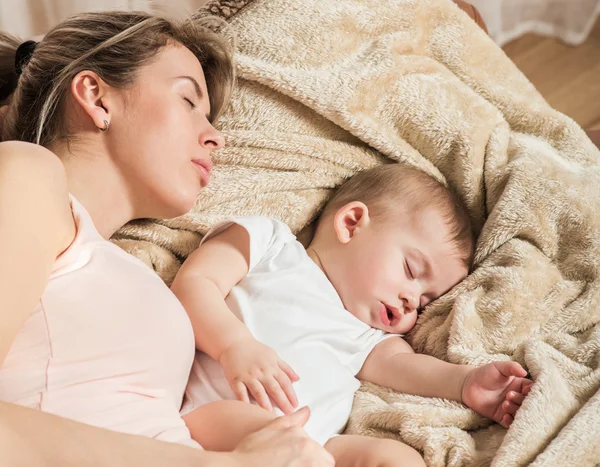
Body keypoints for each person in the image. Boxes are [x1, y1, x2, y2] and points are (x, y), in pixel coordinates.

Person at [0, 10, 334, 467]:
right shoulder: (26, 173)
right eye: (188, 101)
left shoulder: (129, 272)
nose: (217, 138)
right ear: (97, 98)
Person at [172, 164, 534, 466]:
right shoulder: (272, 246)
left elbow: (404, 369)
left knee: (397, 459)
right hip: (208, 419)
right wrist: (234, 345)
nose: (412, 300)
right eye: (410, 270)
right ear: (351, 222)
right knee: (265, 430)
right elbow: (195, 283)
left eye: (425, 301)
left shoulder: (367, 335)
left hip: (317, 447)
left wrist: (464, 383)